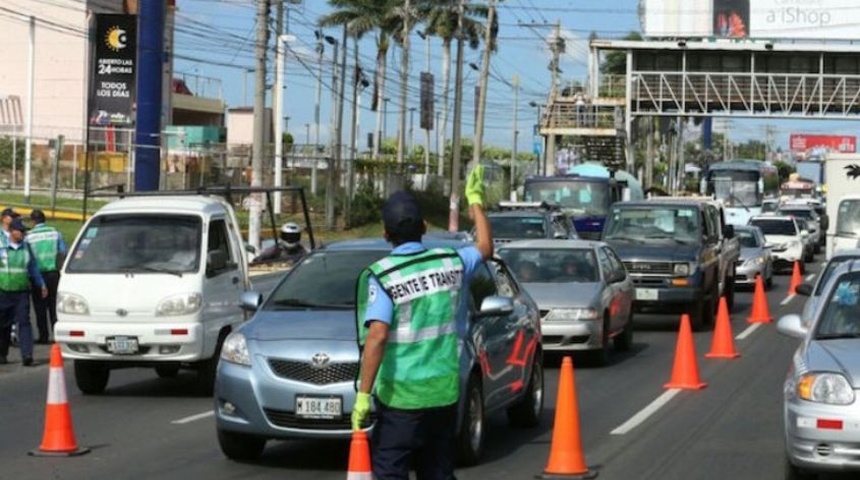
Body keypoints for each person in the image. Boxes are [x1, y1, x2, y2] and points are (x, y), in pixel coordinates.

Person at [352, 165, 493, 479]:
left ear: (385, 233)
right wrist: (476, 203)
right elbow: (485, 248)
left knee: (390, 473)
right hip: (443, 394)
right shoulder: (450, 261)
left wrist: (363, 395)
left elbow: (377, 336)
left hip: (401, 400)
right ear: (425, 226)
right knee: (437, 472)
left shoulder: (384, 275)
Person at [0, 218, 47, 365]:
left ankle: (27, 355)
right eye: (19, 231)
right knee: (3, 325)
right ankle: (2, 354)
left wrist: (42, 284)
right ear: (12, 231)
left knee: (24, 322)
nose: (22, 233)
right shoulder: (2, 247)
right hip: (3, 292)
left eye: (23, 231)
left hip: (22, 292)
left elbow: (33, 268)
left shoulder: (26, 248)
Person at [26, 209, 67, 344]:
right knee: (53, 305)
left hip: (37, 275)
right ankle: (57, 335)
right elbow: (63, 252)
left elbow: (27, 258)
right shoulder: (56, 233)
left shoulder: (29, 236)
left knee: (40, 307)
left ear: (33, 221)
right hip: (53, 274)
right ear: (44, 220)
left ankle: (43, 336)